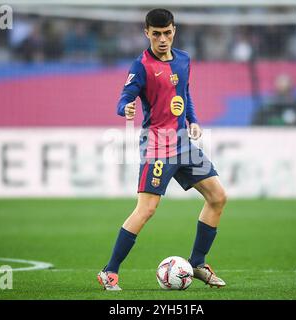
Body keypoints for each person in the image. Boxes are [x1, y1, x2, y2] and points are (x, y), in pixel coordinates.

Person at [97, 8, 228, 291]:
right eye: (156, 34)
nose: (162, 39)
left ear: (174, 31)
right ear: (147, 33)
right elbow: (124, 97)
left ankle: (198, 263)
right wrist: (126, 108)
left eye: (167, 33)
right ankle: (110, 271)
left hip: (183, 142)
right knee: (146, 209)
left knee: (218, 196)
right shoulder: (141, 65)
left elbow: (185, 92)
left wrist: (193, 119)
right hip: (157, 144)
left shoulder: (183, 59)